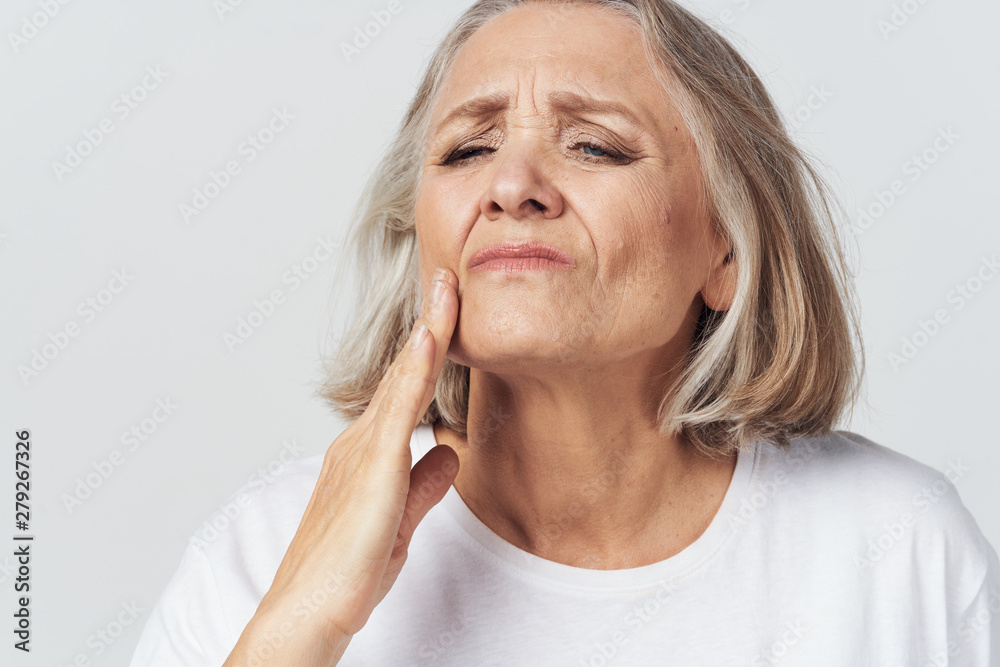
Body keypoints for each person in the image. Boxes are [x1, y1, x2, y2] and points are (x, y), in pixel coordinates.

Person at [130, 1, 1000, 665]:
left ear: (726, 249)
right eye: (467, 150)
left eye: (594, 146)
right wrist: (306, 621)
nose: (511, 185)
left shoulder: (901, 548)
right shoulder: (259, 557)